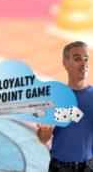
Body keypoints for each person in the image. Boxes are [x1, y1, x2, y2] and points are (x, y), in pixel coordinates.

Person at [37, 41, 93, 172]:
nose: (83, 63)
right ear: (65, 63)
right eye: (77, 59)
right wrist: (45, 132)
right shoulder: (55, 97)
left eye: (86, 59)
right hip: (60, 167)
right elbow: (43, 139)